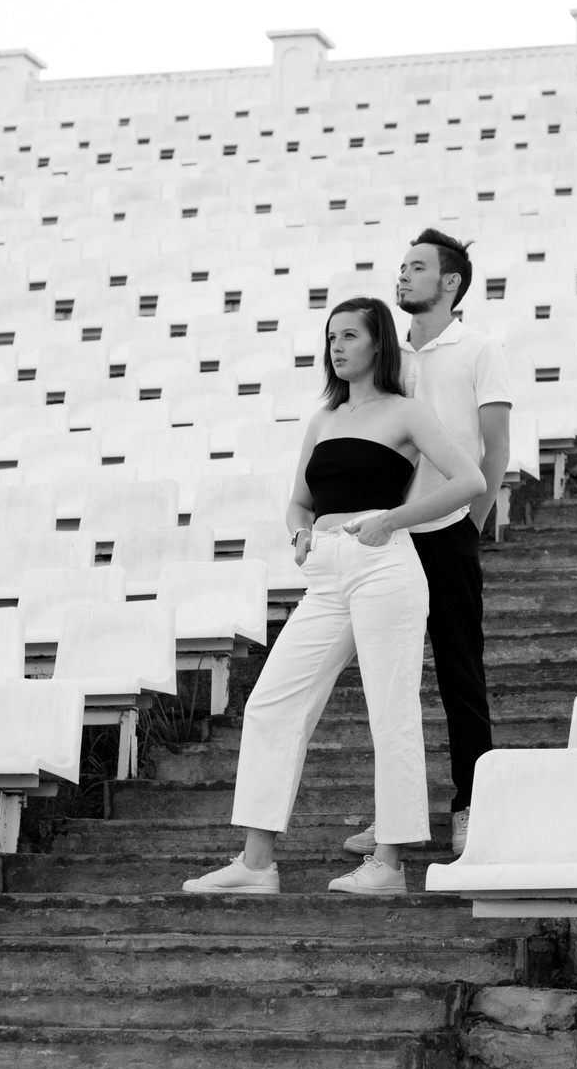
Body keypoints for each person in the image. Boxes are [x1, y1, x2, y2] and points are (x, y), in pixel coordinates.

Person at [184, 296, 487, 896]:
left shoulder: (406, 411)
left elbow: (470, 480)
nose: (338, 347)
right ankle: (256, 864)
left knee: (390, 712)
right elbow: (300, 501)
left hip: (383, 566)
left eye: (350, 335)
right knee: (271, 703)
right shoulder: (323, 419)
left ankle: (389, 864)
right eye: (331, 337)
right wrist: (299, 533)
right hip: (325, 573)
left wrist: (390, 520)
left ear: (378, 343)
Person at [343, 229, 511, 859]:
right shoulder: (389, 356)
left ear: (450, 282)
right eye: (402, 266)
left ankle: (472, 806)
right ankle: (394, 817)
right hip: (386, 537)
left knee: (461, 677)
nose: (403, 275)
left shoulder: (479, 349)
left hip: (447, 533)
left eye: (417, 267)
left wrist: (471, 524)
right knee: (390, 684)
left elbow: (496, 450)